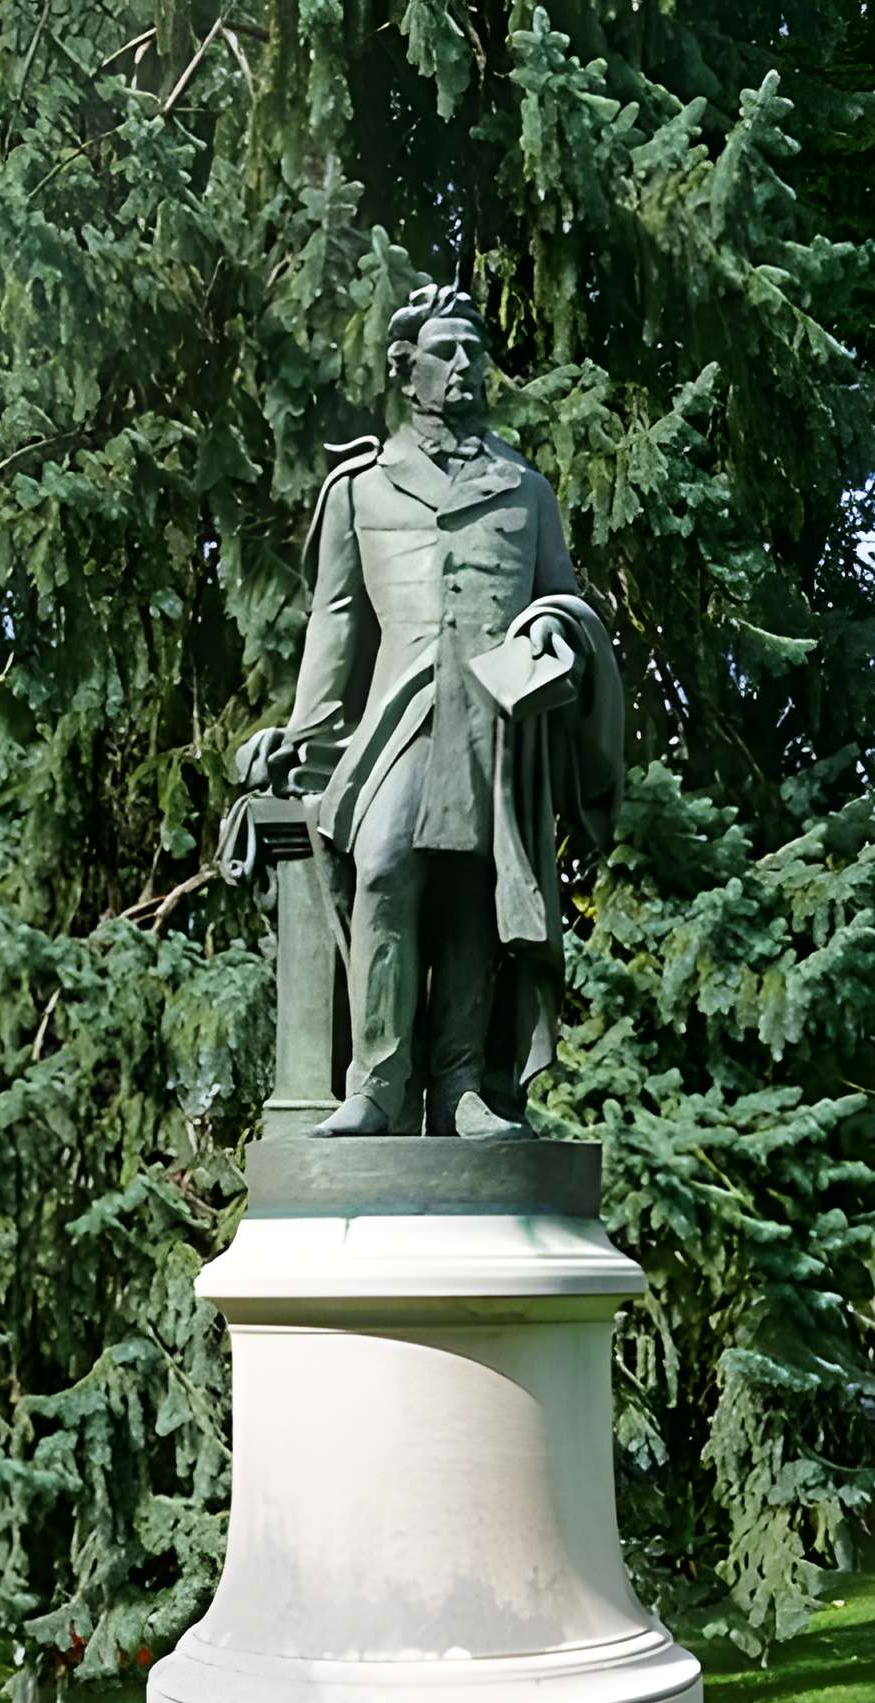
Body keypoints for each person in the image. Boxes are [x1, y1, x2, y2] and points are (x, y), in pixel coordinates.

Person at [240, 282, 623, 1138]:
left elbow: (562, 600)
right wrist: (303, 734)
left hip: (493, 716)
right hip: (400, 716)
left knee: (471, 893)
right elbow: (335, 623)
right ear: (404, 370)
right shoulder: (362, 489)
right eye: (444, 353)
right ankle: (375, 1083)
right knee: (382, 867)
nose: (463, 367)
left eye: (473, 353)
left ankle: (461, 1088)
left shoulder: (525, 489)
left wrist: (558, 631)